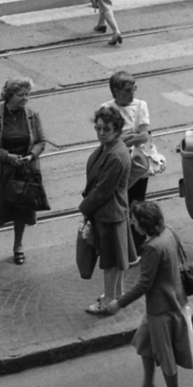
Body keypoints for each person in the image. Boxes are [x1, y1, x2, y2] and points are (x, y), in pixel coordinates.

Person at [100, 202, 192, 387]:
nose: (132, 223)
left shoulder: (151, 248)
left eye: (134, 220)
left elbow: (144, 284)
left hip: (161, 308)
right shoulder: (168, 232)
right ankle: (148, 386)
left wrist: (118, 303)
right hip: (173, 299)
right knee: (144, 342)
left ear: (144, 224)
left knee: (164, 354)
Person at [0, 78, 46, 269]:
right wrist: (7, 157)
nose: (25, 98)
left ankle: (18, 246)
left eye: (27, 94)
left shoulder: (32, 115)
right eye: (21, 95)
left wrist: (31, 156)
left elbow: (41, 141)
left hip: (24, 171)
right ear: (10, 96)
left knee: (21, 210)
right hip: (1, 172)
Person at [82, 102, 134, 314]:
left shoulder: (115, 155)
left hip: (110, 213)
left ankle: (109, 300)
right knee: (116, 257)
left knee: (110, 261)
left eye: (106, 129)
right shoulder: (111, 148)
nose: (101, 133)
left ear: (117, 130)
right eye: (98, 128)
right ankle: (118, 293)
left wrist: (84, 210)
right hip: (113, 212)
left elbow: (102, 190)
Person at [110, 70, 159, 206]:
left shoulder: (140, 105)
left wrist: (120, 140)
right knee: (118, 201)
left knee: (136, 202)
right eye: (127, 90)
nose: (132, 93)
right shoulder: (107, 109)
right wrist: (132, 137)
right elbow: (107, 140)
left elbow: (144, 136)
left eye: (134, 89)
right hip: (117, 164)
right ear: (116, 91)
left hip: (137, 163)